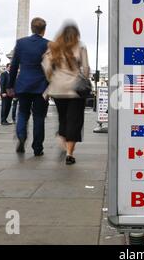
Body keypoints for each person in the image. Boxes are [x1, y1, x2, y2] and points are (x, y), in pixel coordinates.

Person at [42, 23, 90, 165]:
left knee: (63, 119)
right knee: (74, 121)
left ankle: (62, 140)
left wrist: (53, 79)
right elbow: (86, 68)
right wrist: (84, 79)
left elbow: (46, 66)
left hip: (57, 89)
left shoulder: (53, 47)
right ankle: (69, 153)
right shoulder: (80, 46)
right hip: (75, 90)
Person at [7, 17, 49, 156]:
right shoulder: (48, 45)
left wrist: (10, 85)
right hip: (41, 86)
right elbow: (52, 68)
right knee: (39, 117)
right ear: (44, 30)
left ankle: (21, 136)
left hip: (23, 85)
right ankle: (37, 148)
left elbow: (13, 66)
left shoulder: (21, 43)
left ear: (31, 28)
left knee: (23, 113)